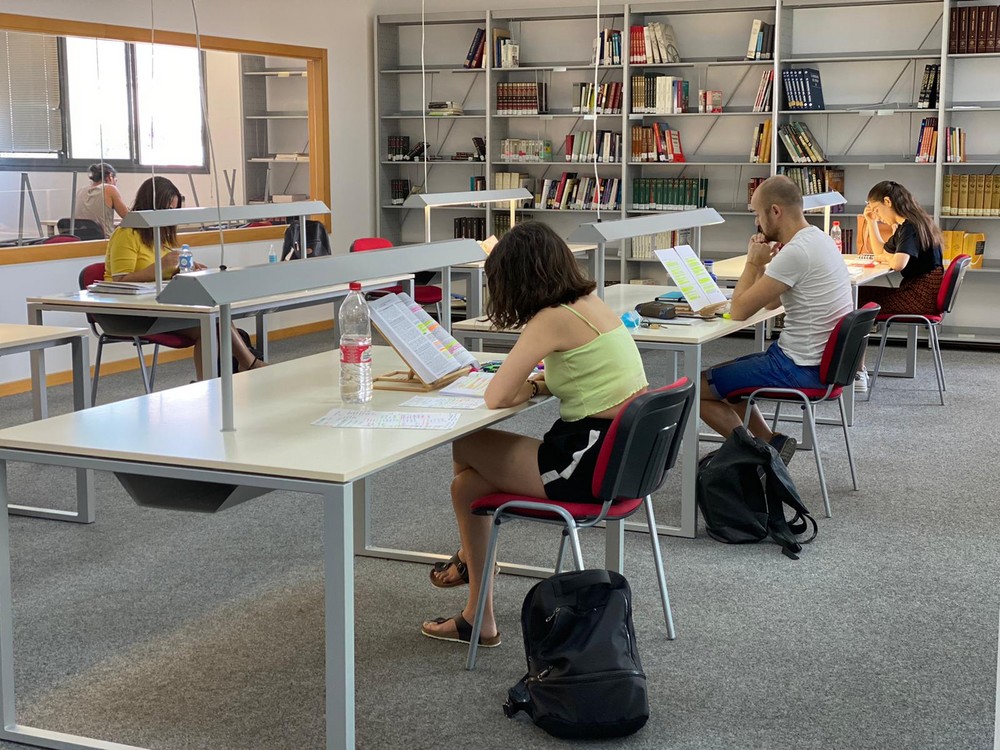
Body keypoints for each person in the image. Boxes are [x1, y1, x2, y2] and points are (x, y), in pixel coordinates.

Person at [421, 222, 648, 648]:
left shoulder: (551, 318)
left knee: (466, 442)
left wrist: (524, 386)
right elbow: (583, 374)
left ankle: (471, 561)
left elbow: (496, 396)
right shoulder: (588, 303)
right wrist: (541, 384)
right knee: (467, 488)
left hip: (585, 464)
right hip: (621, 457)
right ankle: (478, 616)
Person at [699, 175, 853, 464]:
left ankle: (759, 454)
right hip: (821, 365)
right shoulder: (817, 239)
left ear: (775, 211)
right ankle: (771, 442)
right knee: (728, 374)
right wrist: (764, 266)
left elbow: (741, 311)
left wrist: (754, 262)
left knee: (697, 389)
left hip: (799, 367)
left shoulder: (796, 252)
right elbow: (770, 301)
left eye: (758, 214)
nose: (757, 223)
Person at [104, 176, 265, 378]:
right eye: (168, 210)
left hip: (161, 306)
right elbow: (120, 282)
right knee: (211, 323)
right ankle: (247, 365)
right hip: (132, 313)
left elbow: (161, 276)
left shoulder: (158, 235)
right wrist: (161, 266)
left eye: (174, 210)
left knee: (215, 316)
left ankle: (224, 377)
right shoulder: (126, 233)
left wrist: (184, 270)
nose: (171, 216)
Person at [856, 180, 944, 391]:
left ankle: (858, 372)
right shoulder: (910, 223)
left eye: (876, 209)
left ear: (888, 201)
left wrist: (890, 257)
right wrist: (871, 223)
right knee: (859, 294)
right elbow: (880, 253)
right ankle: (856, 367)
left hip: (919, 297)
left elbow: (897, 263)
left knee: (858, 302)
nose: (877, 214)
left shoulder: (910, 227)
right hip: (920, 291)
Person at [75, 163, 129, 238]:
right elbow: (128, 217)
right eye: (115, 181)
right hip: (104, 240)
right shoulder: (110, 189)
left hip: (81, 241)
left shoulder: (80, 191)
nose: (115, 184)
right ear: (110, 176)